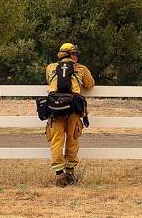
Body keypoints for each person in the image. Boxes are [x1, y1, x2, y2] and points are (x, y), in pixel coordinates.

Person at [45, 42, 95, 187]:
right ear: (70, 55)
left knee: (57, 140)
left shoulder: (50, 68)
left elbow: (50, 81)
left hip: (55, 110)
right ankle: (70, 173)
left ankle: (59, 176)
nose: (77, 56)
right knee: (73, 140)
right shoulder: (81, 69)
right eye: (75, 54)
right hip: (73, 110)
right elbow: (90, 85)